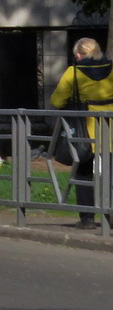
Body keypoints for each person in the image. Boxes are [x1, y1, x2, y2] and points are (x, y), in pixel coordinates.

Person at [50, 37, 113, 229]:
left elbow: (57, 101)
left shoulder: (74, 73)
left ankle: (87, 219)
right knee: (111, 174)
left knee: (83, 172)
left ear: (78, 54)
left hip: (85, 132)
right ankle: (110, 216)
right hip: (110, 132)